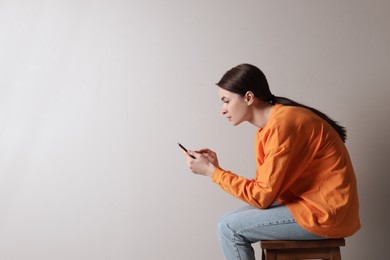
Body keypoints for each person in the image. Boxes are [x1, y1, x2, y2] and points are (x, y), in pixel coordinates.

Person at [181, 63, 360, 260]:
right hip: (314, 206)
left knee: (229, 228)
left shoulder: (283, 124)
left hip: (325, 214)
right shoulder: (268, 127)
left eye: (226, 101)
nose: (222, 110)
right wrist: (216, 168)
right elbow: (265, 191)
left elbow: (261, 197)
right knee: (226, 221)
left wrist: (211, 172)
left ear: (249, 97)